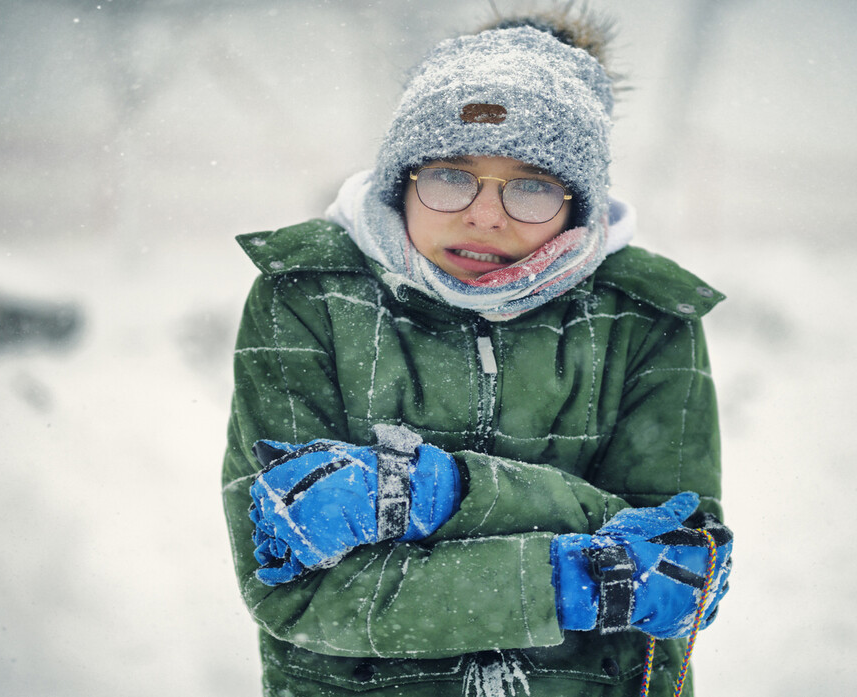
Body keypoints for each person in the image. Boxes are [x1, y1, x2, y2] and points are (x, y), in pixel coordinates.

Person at [221, 10, 733, 697]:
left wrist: (440, 496)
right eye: (450, 174)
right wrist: (577, 576)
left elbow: (677, 573)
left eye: (530, 185)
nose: (484, 214)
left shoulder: (646, 319)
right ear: (401, 177)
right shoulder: (311, 298)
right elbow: (300, 596)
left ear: (577, 203)